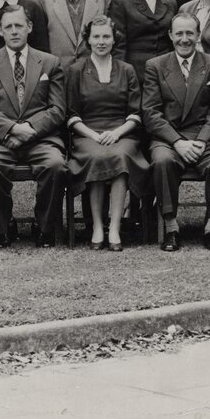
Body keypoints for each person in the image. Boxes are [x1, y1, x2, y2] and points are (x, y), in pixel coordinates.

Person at [0, 4, 67, 248]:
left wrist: (28, 130)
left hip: (40, 137)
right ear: (0, 31)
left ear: (29, 28)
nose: (14, 31)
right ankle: (3, 227)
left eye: (19, 25)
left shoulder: (50, 63)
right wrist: (12, 130)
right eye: (8, 26)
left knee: (55, 165)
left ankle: (44, 227)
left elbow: (57, 110)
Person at [142, 13, 210, 252]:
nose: (185, 39)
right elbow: (151, 112)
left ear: (198, 35)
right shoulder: (156, 66)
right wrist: (177, 142)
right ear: (170, 35)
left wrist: (202, 140)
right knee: (162, 161)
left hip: (206, 136)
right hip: (169, 137)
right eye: (179, 33)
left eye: (190, 33)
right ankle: (171, 227)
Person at [65, 16, 147, 252]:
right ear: (88, 40)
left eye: (106, 37)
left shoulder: (127, 69)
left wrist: (117, 132)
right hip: (87, 134)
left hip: (122, 133)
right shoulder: (76, 70)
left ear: (114, 39)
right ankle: (98, 226)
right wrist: (92, 135)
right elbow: (71, 114)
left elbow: (135, 112)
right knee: (98, 156)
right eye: (96, 37)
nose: (101, 41)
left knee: (119, 157)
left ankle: (115, 227)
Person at [106, 0, 178, 82]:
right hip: (136, 74)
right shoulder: (121, 3)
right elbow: (118, 46)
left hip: (167, 73)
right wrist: (121, 78)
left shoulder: (170, 3)